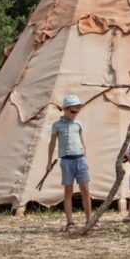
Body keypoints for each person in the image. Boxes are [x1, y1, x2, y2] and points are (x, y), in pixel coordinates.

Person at [47, 94, 92, 231]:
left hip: (80, 159)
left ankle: (89, 220)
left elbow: (83, 142)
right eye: (73, 111)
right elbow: (52, 144)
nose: (75, 113)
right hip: (66, 160)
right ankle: (70, 222)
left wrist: (85, 159)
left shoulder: (78, 123)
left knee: (85, 190)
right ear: (65, 109)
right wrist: (48, 162)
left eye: (77, 111)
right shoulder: (57, 125)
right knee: (68, 191)